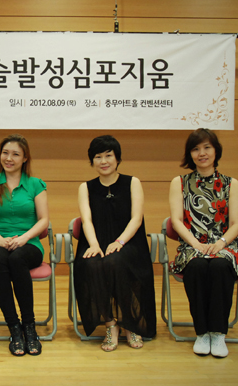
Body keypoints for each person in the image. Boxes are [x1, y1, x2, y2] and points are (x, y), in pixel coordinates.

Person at [169, 128, 238, 358]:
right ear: (190, 154)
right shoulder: (179, 182)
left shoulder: (231, 184)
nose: (201, 153)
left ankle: (218, 333)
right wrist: (195, 243)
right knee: (197, 266)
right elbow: (176, 220)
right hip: (192, 246)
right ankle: (202, 332)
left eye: (207, 147)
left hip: (226, 246)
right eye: (195, 149)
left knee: (220, 266)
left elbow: (236, 223)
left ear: (216, 151)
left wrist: (221, 243)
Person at [74, 135, 156, 352]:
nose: (103, 161)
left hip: (129, 242)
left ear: (117, 158)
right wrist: (93, 245)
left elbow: (136, 218)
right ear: (92, 161)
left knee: (115, 261)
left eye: (108, 155)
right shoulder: (85, 187)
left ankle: (130, 323)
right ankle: (111, 324)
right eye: (98, 157)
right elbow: (86, 220)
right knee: (91, 264)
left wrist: (119, 241)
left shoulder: (132, 182)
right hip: (96, 241)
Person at [0, 134, 49, 356]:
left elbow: (44, 220)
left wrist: (24, 238)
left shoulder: (36, 184)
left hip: (29, 243)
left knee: (17, 258)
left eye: (15, 154)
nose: (9, 158)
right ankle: (14, 328)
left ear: (25, 158)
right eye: (5, 153)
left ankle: (29, 326)